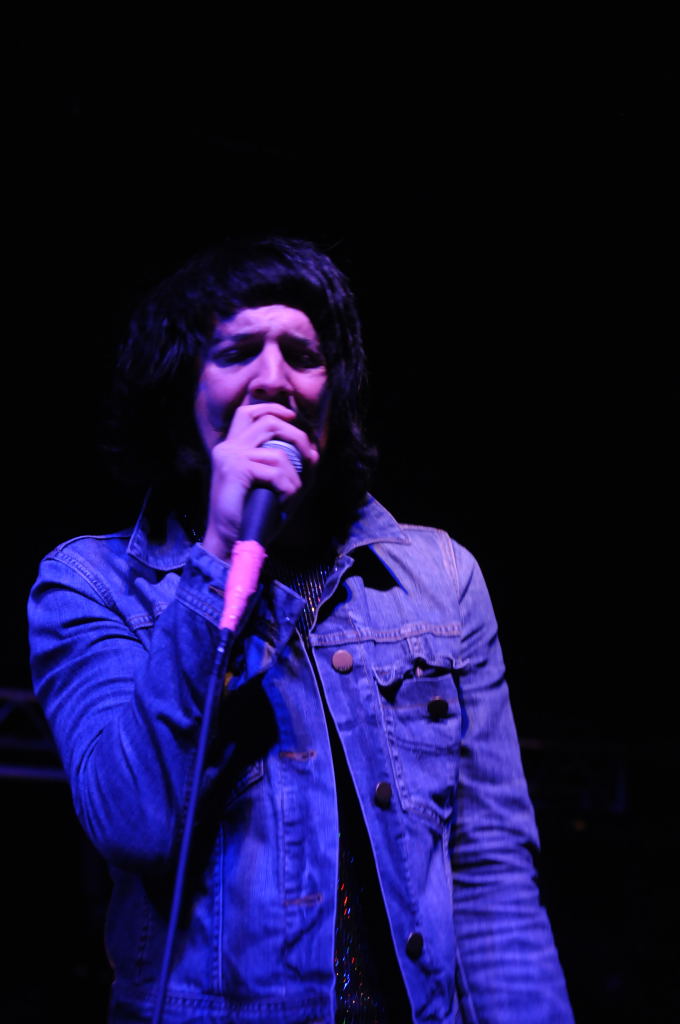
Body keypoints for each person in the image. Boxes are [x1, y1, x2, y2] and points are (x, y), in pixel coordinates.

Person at [28, 237, 574, 1023]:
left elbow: (492, 872)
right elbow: (136, 824)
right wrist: (221, 553)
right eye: (237, 351)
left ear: (334, 389)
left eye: (304, 355)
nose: (274, 379)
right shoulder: (91, 584)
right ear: (184, 384)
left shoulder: (439, 577)